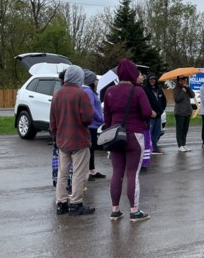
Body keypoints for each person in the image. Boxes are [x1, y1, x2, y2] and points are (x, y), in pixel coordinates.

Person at [103, 58, 155, 222]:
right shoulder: (138, 91)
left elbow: (107, 118)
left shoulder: (109, 91)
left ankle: (115, 210)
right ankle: (134, 210)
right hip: (134, 135)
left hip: (115, 136)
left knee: (116, 173)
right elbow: (147, 112)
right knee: (132, 174)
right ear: (133, 73)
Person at [49, 65, 95, 215]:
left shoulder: (57, 94)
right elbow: (88, 118)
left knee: (62, 173)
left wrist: (55, 136)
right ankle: (75, 203)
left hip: (62, 140)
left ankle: (61, 203)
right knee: (78, 173)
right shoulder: (81, 94)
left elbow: (52, 120)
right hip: (79, 139)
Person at [83, 70, 106, 180]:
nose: (97, 82)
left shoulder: (90, 91)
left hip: (92, 125)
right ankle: (88, 171)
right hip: (90, 125)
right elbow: (91, 107)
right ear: (91, 81)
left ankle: (92, 170)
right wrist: (100, 118)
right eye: (96, 80)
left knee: (92, 148)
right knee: (89, 149)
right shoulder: (88, 91)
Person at [143, 73, 167, 154]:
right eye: (150, 79)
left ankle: (154, 147)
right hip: (150, 115)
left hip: (158, 115)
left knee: (157, 132)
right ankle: (148, 148)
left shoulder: (159, 89)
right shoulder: (145, 89)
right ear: (148, 80)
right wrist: (149, 111)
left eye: (153, 79)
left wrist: (161, 110)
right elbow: (144, 102)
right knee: (149, 132)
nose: (152, 81)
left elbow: (164, 101)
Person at [172, 75, 195, 152]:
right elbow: (177, 99)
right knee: (180, 130)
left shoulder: (186, 88)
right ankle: (180, 145)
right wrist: (182, 91)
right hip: (179, 112)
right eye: (182, 80)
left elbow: (192, 95)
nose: (184, 81)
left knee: (185, 130)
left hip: (187, 112)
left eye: (185, 80)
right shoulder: (176, 89)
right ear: (178, 80)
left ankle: (184, 144)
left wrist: (188, 88)